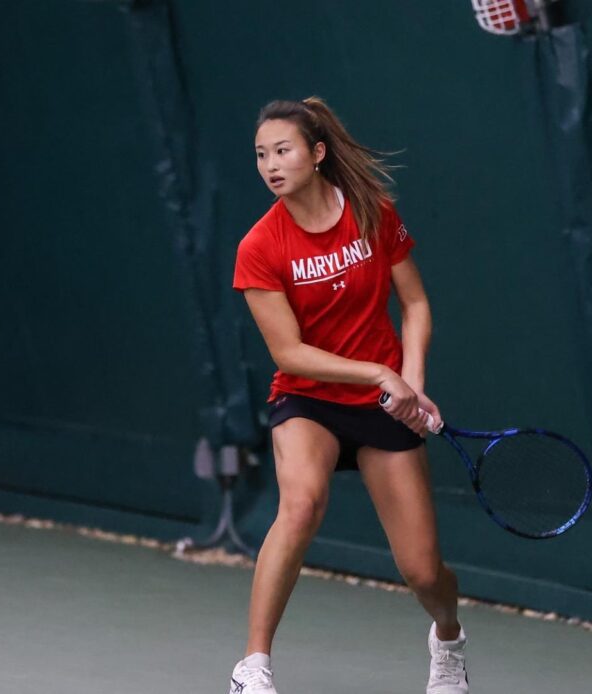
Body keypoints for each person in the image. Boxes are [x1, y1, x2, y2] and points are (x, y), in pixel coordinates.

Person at [228, 96, 469, 694]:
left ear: (316, 153)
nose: (270, 165)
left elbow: (414, 304)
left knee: (422, 571)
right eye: (261, 155)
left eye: (282, 151)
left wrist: (410, 380)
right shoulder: (259, 247)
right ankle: (252, 668)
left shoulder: (371, 212)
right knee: (302, 505)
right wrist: (377, 374)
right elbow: (289, 354)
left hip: (382, 403)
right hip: (308, 398)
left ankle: (447, 640)